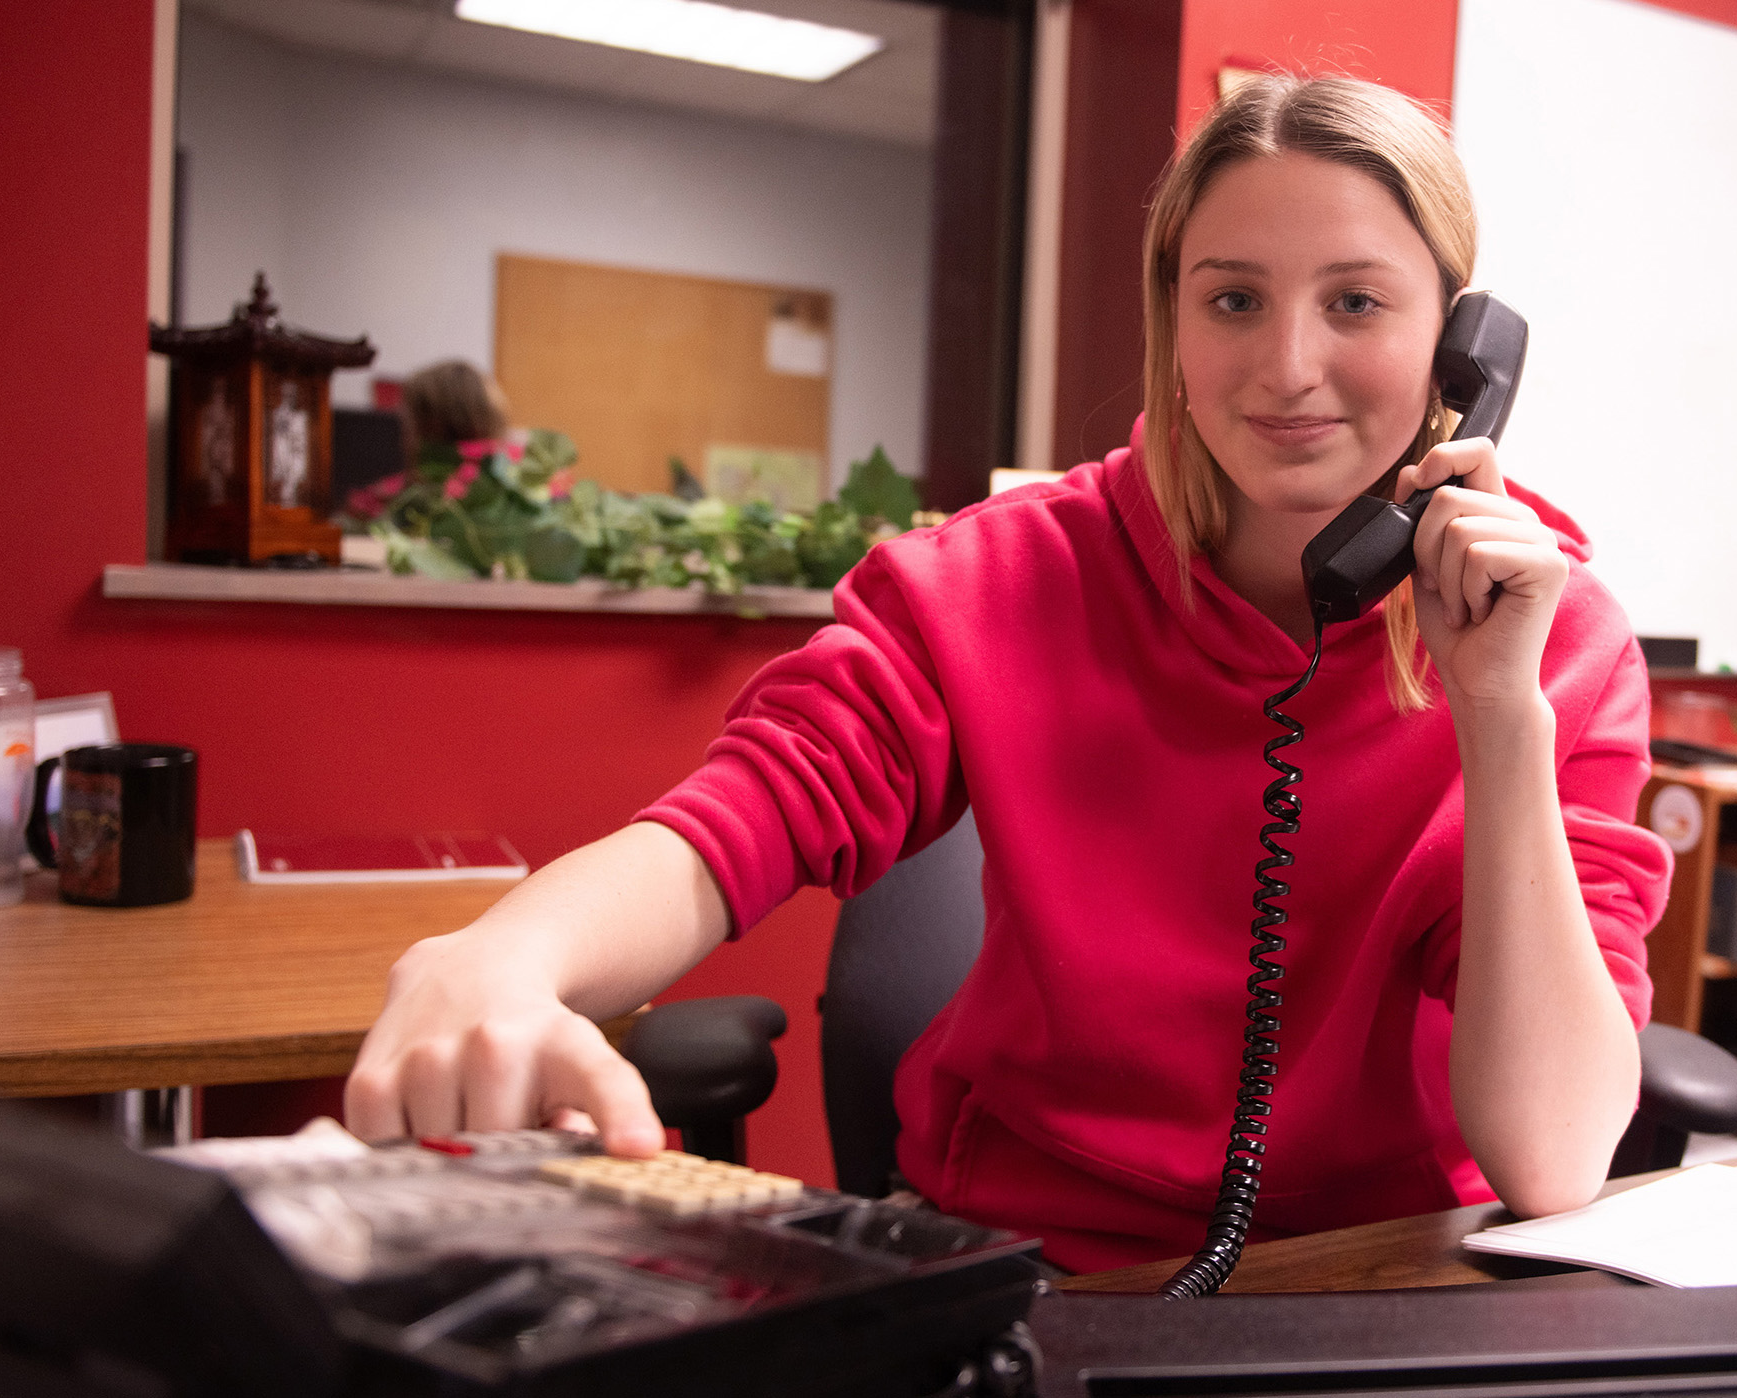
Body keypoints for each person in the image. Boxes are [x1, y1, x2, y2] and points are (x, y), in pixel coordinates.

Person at [347, 76, 1670, 1272]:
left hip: (1383, 1272)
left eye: (1356, 301)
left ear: (1461, 345)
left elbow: (1554, 1156)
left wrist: (1499, 714)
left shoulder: (1556, 640)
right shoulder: (999, 578)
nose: (1286, 367)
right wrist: (503, 957)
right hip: (1033, 1265)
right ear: (1173, 322)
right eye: (1233, 299)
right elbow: (745, 812)